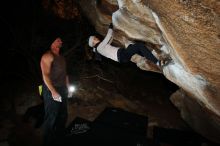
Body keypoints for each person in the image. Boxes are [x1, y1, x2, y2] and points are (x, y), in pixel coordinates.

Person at [88, 23, 170, 67]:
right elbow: (108, 37)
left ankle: (148, 55)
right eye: (94, 39)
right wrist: (110, 27)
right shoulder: (99, 47)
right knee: (139, 46)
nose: (96, 38)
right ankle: (157, 62)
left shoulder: (100, 48)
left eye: (95, 38)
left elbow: (109, 40)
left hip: (121, 55)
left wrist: (112, 33)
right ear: (93, 43)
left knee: (132, 47)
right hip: (121, 55)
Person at [40, 36, 71, 145]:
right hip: (51, 89)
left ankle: (59, 138)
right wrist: (53, 91)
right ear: (52, 42)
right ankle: (47, 142)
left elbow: (65, 74)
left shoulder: (62, 58)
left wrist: (68, 87)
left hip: (62, 89)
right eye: (58, 40)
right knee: (51, 117)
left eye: (61, 40)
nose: (61, 41)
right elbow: (45, 75)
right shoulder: (48, 56)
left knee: (63, 115)